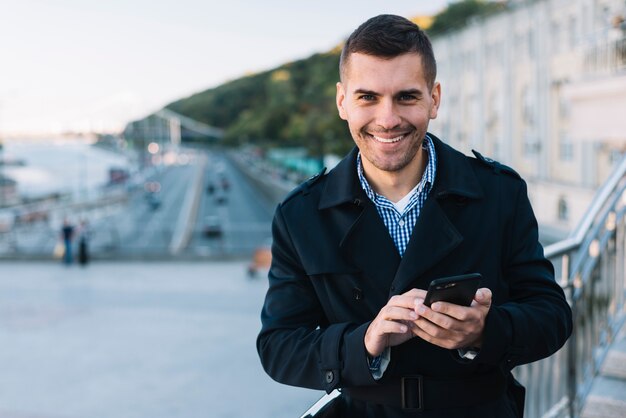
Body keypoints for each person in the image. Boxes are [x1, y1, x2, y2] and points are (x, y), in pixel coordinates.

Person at [257, 15, 573, 417]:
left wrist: (484, 331)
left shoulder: (499, 192)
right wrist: (365, 341)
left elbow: (552, 315)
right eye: (367, 97)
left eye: (406, 97)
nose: (387, 119)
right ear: (342, 102)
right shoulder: (300, 215)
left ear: (434, 99)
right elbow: (278, 346)